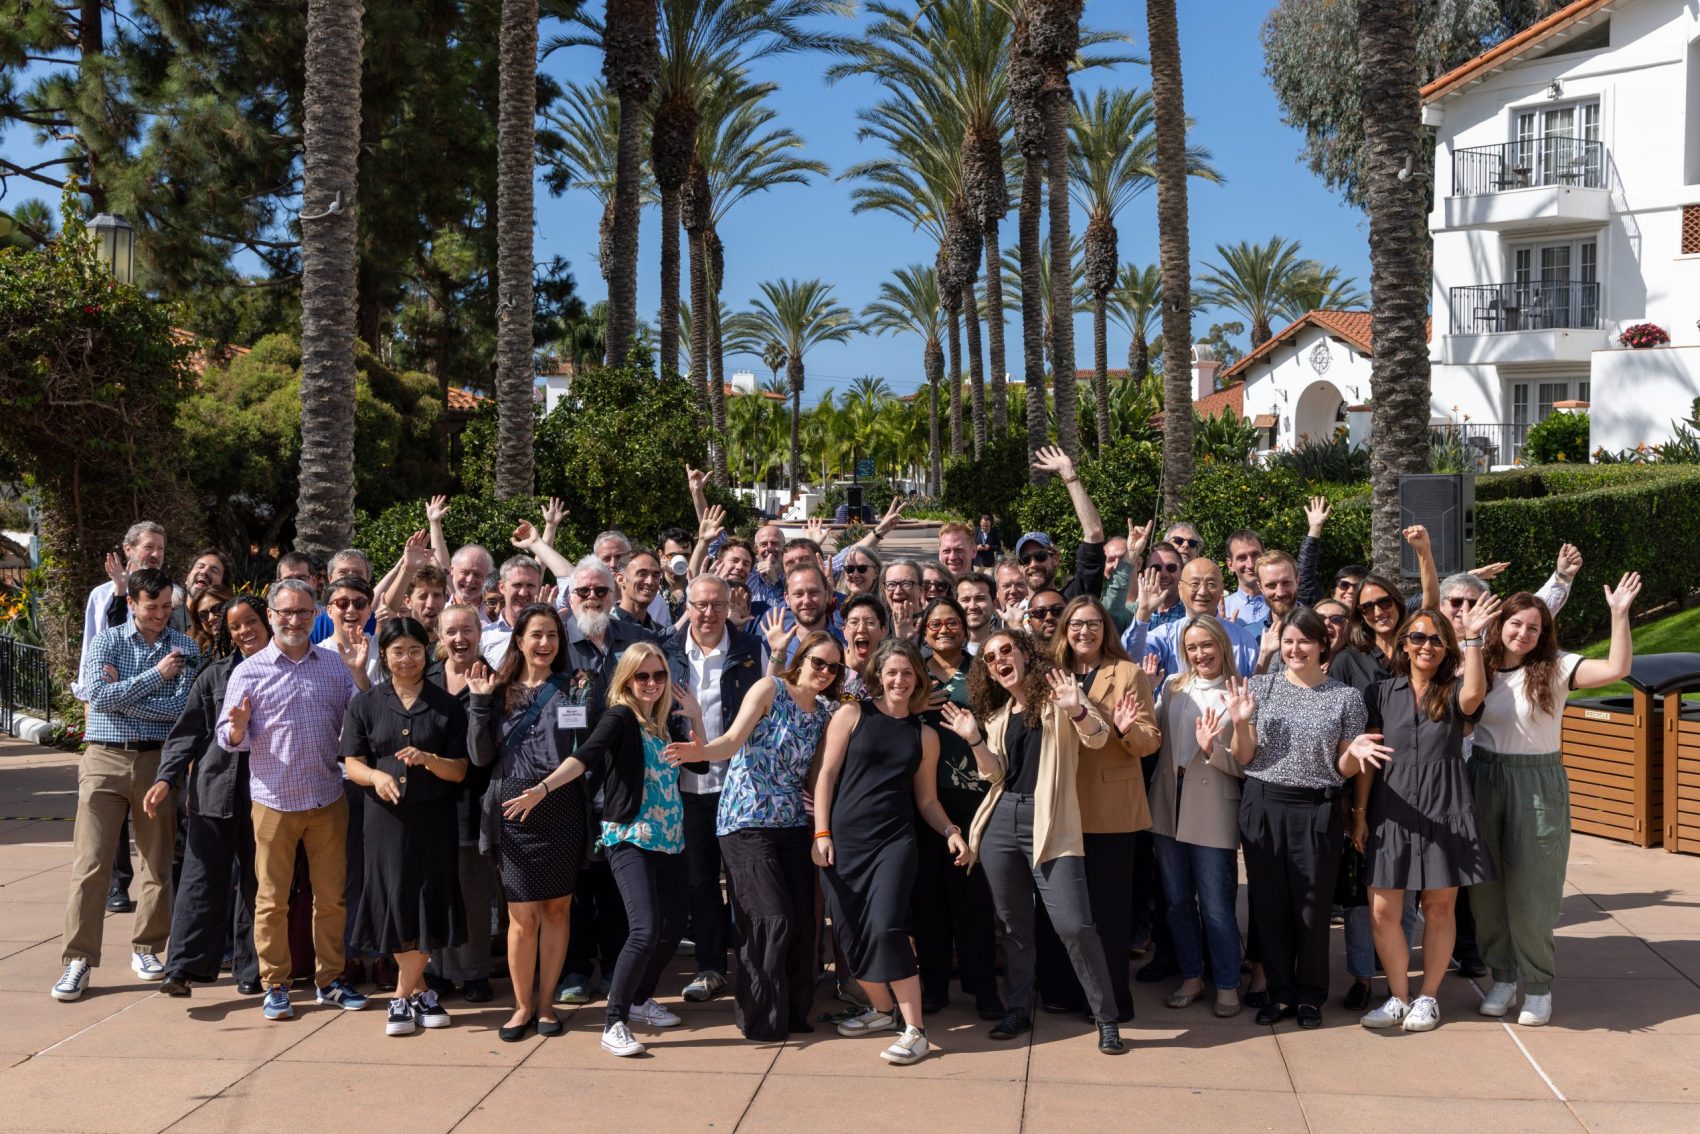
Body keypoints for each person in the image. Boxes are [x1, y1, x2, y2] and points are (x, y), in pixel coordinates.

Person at [942, 628, 1128, 1055]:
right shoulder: (995, 714)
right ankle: (1020, 1008)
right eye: (990, 657)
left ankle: (1106, 1018)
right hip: (1002, 820)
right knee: (1014, 926)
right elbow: (994, 774)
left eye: (1007, 650)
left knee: (1075, 925)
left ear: (1026, 653)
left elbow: (1098, 737)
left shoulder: (1059, 697)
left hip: (1052, 820)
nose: (999, 660)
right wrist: (973, 738)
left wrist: (1077, 708)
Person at [509, 643, 695, 1058]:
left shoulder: (662, 723)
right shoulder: (621, 717)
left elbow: (699, 764)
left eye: (658, 675)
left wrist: (695, 718)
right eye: (642, 676)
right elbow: (585, 756)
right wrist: (542, 789)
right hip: (629, 835)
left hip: (669, 838)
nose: (651, 683)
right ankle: (614, 1023)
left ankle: (641, 998)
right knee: (645, 928)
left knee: (672, 927)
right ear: (626, 681)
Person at [1471, 575, 1640, 1027]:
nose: (1522, 633)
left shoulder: (1559, 667)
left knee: (1532, 892)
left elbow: (1616, 670)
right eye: (1515, 624)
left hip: (1537, 781)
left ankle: (1538, 987)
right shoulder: (1479, 665)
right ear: (1499, 623)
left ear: (1544, 634)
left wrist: (1619, 615)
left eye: (1533, 628)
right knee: (1485, 891)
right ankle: (1503, 978)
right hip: (1483, 778)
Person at [663, 631, 843, 1040]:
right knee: (769, 917)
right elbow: (730, 741)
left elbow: (817, 778)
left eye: (834, 667)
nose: (825, 673)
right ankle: (759, 1016)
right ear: (802, 660)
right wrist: (700, 752)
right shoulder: (769, 688)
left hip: (794, 824)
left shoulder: (824, 714)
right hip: (745, 820)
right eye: (818, 662)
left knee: (799, 922)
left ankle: (793, 1014)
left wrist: (822, 830)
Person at [216, 578, 369, 1020]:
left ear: (316, 614)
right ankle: (276, 984)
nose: (295, 620)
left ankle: (331, 980)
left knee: (332, 898)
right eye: (286, 612)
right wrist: (240, 726)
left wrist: (359, 673)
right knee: (271, 901)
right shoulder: (249, 670)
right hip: (272, 802)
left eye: (304, 612)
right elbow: (226, 739)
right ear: (271, 616)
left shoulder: (335, 665)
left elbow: (360, 719)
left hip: (326, 797)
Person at [814, 638, 968, 1066]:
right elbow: (825, 776)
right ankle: (881, 1012)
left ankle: (915, 1029)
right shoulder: (852, 714)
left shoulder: (925, 736)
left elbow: (928, 802)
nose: (899, 680)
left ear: (917, 677)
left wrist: (951, 831)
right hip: (844, 842)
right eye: (891, 672)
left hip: (894, 844)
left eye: (907, 672)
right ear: (877, 676)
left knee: (885, 929)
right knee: (849, 936)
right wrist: (821, 832)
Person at [52, 568, 200, 1003]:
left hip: (158, 760)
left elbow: (178, 711)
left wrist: (127, 692)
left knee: (157, 861)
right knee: (91, 862)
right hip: (103, 758)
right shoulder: (106, 642)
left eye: (166, 606)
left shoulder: (185, 647)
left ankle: (148, 949)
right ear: (131, 603)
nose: (160, 614)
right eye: (151, 606)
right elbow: (98, 697)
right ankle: (77, 959)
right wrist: (156, 675)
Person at [1224, 607, 1371, 1029]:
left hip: (1316, 808)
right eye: (1288, 641)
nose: (1295, 649)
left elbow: (1340, 767)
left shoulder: (1345, 697)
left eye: (1304, 641)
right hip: (1262, 802)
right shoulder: (1260, 687)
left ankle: (1310, 996)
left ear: (1323, 643)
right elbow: (1244, 756)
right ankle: (1280, 993)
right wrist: (1240, 723)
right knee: (1268, 905)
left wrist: (1354, 756)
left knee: (1312, 907)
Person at [1354, 604, 1497, 1033]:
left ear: (1446, 647)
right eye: (1417, 637)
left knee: (1438, 908)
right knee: (1382, 910)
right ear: (1403, 645)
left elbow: (1474, 696)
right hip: (1391, 811)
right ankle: (1398, 996)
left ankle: (1428, 997)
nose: (1426, 646)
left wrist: (1471, 639)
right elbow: (1369, 759)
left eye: (1436, 639)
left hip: (1445, 808)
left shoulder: (1454, 691)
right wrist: (1360, 815)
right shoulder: (1380, 693)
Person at [340, 618, 470, 1036]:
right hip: (384, 819)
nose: (407, 659)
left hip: (434, 818)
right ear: (385, 655)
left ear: (427, 651)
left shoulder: (446, 705)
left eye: (415, 650)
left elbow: (460, 770)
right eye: (397, 651)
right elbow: (352, 762)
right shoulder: (366, 703)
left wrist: (429, 759)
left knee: (427, 898)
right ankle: (417, 991)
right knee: (394, 899)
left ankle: (402, 996)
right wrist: (377, 777)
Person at [467, 603, 590, 1042]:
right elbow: (480, 757)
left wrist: (585, 696)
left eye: (552, 635)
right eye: (536, 635)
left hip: (562, 802)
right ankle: (521, 1007)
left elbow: (585, 748)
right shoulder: (496, 689)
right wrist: (480, 703)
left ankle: (546, 1004)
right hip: (512, 804)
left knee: (557, 909)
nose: (544, 644)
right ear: (518, 640)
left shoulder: (573, 686)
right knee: (522, 915)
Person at [1035, 595, 1160, 1023]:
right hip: (1061, 804)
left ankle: (1111, 1002)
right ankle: (1063, 993)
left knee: (1106, 911)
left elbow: (1149, 740)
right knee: (1064, 910)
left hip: (1111, 810)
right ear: (1064, 630)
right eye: (1075, 624)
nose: (1083, 632)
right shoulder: (1050, 674)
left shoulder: (1127, 673)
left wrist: (1125, 730)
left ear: (1106, 628)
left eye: (1092, 624)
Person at [145, 595, 270, 998]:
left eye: (250, 621)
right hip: (213, 792)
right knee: (200, 882)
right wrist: (166, 779)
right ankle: (181, 968)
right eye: (235, 627)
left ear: (266, 621)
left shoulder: (284, 671)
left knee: (257, 884)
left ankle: (251, 969)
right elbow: (186, 734)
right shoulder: (214, 676)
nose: (244, 631)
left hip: (267, 795)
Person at [665, 574, 766, 1006]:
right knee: (699, 881)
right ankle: (710, 968)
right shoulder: (668, 654)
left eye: (717, 605)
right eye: (700, 605)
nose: (708, 613)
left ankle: (753, 965)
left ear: (730, 605)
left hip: (738, 787)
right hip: (684, 788)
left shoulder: (749, 650)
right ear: (686, 605)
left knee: (744, 883)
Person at [1148, 616, 1246, 1018]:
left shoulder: (1239, 691)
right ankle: (1191, 975)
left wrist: (1211, 750)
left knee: (1217, 904)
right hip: (1169, 801)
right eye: (1192, 647)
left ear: (1223, 644)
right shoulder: (1173, 686)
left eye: (1208, 645)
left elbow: (1244, 763)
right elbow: (1151, 735)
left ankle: (1227, 983)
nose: (1201, 653)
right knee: (1176, 901)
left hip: (1213, 805)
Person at [912, 597, 1001, 1019]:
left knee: (975, 898)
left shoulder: (983, 667)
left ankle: (983, 987)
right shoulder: (913, 669)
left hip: (975, 795)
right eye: (934, 623)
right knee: (928, 898)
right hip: (923, 796)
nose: (943, 629)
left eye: (952, 622)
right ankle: (933, 986)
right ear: (923, 629)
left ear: (966, 628)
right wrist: (915, 705)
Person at [425, 604, 497, 1003]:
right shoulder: (425, 678)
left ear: (479, 632)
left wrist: (481, 701)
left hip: (474, 801)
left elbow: (483, 754)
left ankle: (473, 973)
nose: (459, 639)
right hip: (430, 802)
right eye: (451, 631)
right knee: (436, 889)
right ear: (439, 635)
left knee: (471, 891)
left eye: (466, 630)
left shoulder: (493, 679)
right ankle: (437, 971)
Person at [1124, 557, 1260, 677]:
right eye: (1195, 584)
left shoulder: (1244, 640)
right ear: (1180, 589)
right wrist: (1143, 612)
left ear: (1221, 589)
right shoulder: (1166, 636)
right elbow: (1130, 663)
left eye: (1211, 584)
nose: (1202, 592)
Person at [478, 555, 544, 669]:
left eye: (530, 586)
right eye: (517, 585)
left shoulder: (550, 635)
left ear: (538, 588)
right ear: (502, 587)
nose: (523, 593)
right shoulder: (483, 637)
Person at [835, 594, 886, 699]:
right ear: (844, 631)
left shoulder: (889, 672)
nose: (861, 629)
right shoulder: (830, 667)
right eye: (854, 622)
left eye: (870, 622)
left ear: (883, 631)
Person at [1222, 530, 1268, 631]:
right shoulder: (1221, 610)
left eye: (1255, 555)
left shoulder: (1282, 604)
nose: (1251, 564)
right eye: (1242, 558)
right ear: (1230, 565)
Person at [185, 584, 235, 656]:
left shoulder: (247, 643)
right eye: (203, 615)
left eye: (218, 608)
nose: (211, 618)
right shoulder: (196, 653)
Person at [881, 558, 923, 640]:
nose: (897, 591)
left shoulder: (934, 625)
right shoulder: (879, 627)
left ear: (920, 590)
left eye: (906, 584)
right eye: (891, 585)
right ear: (884, 590)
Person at [956, 571, 996, 651]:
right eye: (965, 600)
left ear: (994, 604)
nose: (972, 606)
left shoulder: (1004, 648)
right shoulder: (947, 651)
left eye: (980, 599)